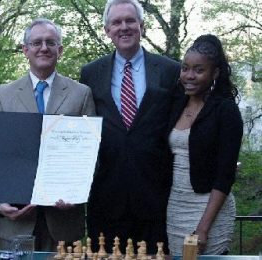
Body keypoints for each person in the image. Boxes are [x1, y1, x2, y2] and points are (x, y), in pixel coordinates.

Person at [80, 0, 180, 254]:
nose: (123, 27)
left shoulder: (170, 71)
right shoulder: (90, 73)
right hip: (106, 196)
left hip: (156, 196)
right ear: (107, 30)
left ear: (142, 26)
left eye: (130, 21)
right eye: (116, 22)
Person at [0, 18, 95, 251]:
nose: (44, 48)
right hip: (16, 218)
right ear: (25, 50)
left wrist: (76, 194)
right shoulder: (3, 95)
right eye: (36, 42)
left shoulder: (81, 94)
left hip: (64, 219)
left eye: (51, 42)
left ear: (60, 50)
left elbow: (91, 154)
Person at [166, 34, 243, 255]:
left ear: (215, 73)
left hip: (209, 211)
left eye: (199, 70)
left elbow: (225, 175)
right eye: (185, 68)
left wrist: (203, 228)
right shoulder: (177, 103)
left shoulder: (226, 111)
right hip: (176, 207)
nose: (189, 76)